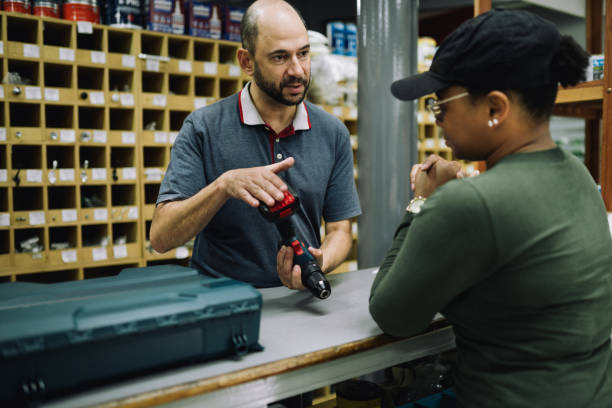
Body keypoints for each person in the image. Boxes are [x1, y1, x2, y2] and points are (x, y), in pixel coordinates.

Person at [369, 8, 612, 407]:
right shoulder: (577, 173)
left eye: (442, 104)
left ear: (495, 108)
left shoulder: (467, 204)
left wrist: (422, 202)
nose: (439, 119)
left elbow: (392, 315)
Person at [149, 0, 361, 290]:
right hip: (222, 302)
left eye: (303, 54)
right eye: (280, 58)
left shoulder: (332, 133)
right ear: (247, 62)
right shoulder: (203, 128)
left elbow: (340, 230)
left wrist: (319, 263)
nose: (297, 70)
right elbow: (161, 237)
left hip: (299, 300)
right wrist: (223, 186)